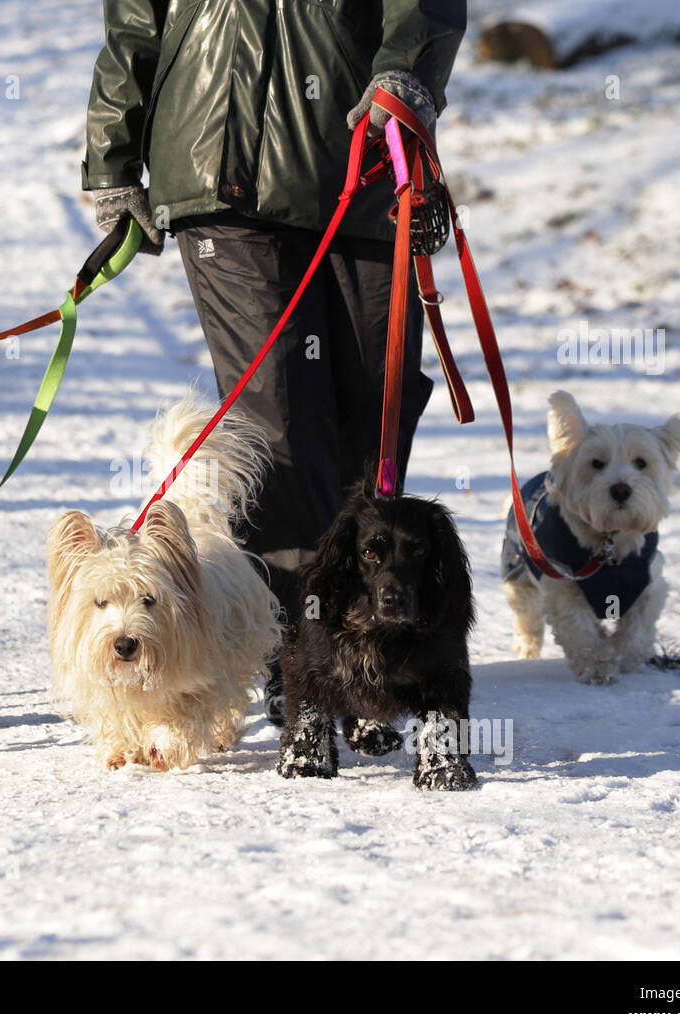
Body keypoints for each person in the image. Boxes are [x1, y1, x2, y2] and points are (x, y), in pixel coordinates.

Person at [83, 0, 467, 724]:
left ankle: (371, 641)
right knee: (279, 425)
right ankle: (304, 659)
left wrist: (409, 71)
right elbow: (136, 15)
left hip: (369, 152)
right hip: (216, 163)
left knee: (372, 413)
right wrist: (113, 149)